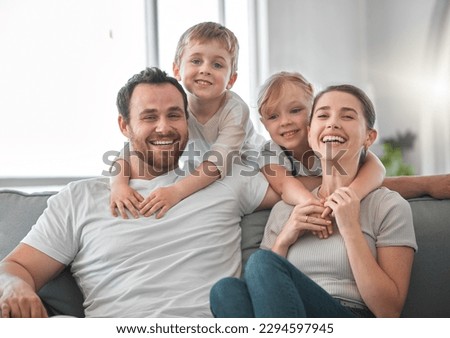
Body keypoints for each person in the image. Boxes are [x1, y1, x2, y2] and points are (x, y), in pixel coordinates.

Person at [0, 67, 277, 318]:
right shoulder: (80, 198)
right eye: (149, 117)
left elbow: (306, 187)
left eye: (174, 115)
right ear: (124, 125)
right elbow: (15, 267)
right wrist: (14, 286)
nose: (164, 127)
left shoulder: (226, 180)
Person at [210, 84, 418, 318]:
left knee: (261, 263)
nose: (333, 123)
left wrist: (350, 228)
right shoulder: (285, 210)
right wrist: (284, 239)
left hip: (351, 316)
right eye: (323, 115)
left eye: (347, 116)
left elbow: (388, 311)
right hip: (288, 315)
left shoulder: (388, 206)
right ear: (310, 134)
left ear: (369, 137)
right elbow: (258, 293)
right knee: (225, 290)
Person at [110, 22, 264, 219]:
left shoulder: (235, 110)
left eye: (217, 64)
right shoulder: (176, 107)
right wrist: (118, 185)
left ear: (231, 80)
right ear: (176, 70)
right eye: (196, 61)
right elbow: (128, 149)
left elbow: (217, 162)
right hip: (214, 172)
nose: (205, 69)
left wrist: (177, 191)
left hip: (255, 165)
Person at [257, 72, 386, 238]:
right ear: (263, 123)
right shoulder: (270, 152)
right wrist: (314, 206)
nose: (285, 122)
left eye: (295, 110)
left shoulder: (330, 143)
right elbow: (284, 185)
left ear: (313, 109)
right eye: (273, 116)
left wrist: (350, 195)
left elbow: (376, 168)